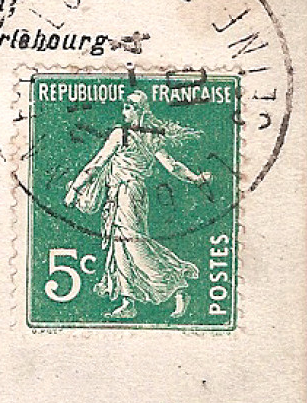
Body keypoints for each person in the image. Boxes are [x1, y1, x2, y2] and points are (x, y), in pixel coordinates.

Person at [64, 89, 211, 320]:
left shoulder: (125, 134)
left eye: (129, 106)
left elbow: (98, 162)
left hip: (127, 193)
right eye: (125, 106)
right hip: (128, 194)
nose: (125, 111)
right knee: (120, 246)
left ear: (140, 110)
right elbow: (172, 166)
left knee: (134, 246)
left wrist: (75, 189)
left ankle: (177, 285)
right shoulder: (150, 136)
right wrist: (195, 178)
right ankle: (128, 301)